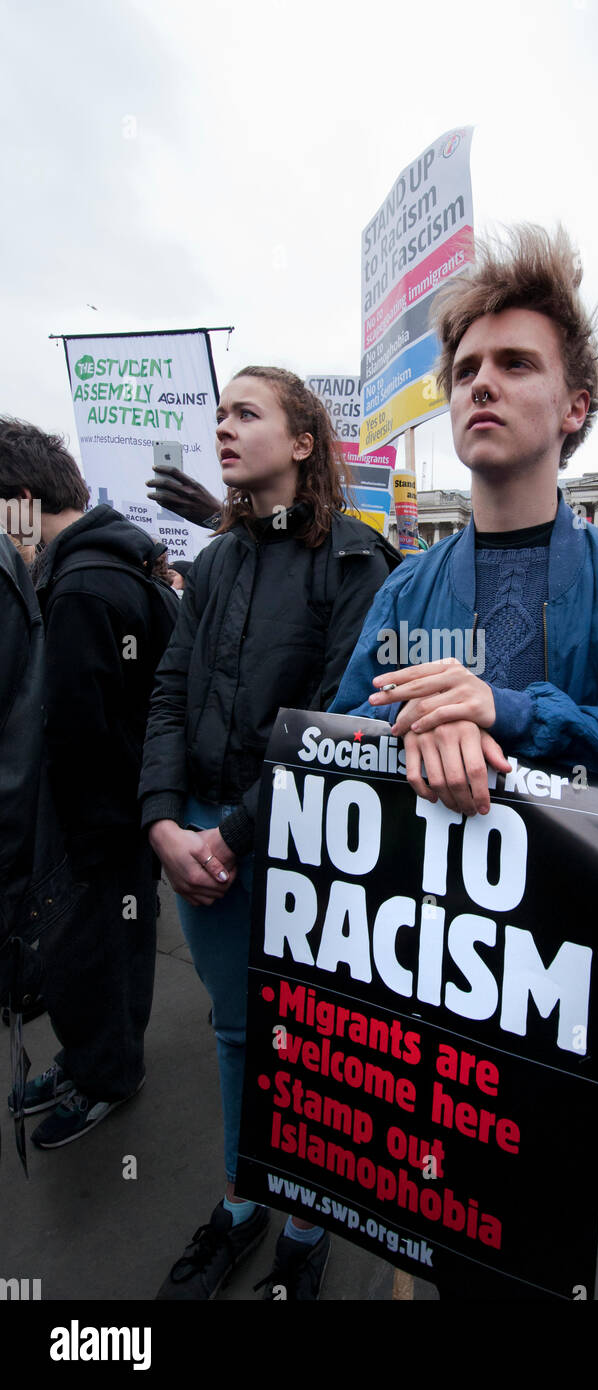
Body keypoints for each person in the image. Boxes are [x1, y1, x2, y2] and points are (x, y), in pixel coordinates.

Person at [331, 226, 598, 1056]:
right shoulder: (407, 583)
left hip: (575, 960)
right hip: (425, 948)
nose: (482, 383)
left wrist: (511, 715)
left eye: (516, 364)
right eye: (465, 370)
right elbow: (340, 739)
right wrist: (421, 727)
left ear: (573, 407)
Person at [139, 366, 400, 1301]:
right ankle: (243, 1197)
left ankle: (305, 1220)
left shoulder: (355, 560)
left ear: (301, 443)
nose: (221, 429)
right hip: (197, 840)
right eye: (217, 415)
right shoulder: (214, 562)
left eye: (245, 413)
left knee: (306, 1037)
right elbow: (168, 691)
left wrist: (232, 839)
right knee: (235, 1032)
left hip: (296, 847)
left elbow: (334, 722)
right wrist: (164, 822)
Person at [0, 417, 178, 1147]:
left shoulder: (79, 585)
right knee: (113, 954)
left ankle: (105, 1076)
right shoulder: (117, 561)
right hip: (127, 811)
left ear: (20, 497)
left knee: (92, 961)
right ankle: (88, 1061)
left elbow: (78, 730)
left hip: (97, 824)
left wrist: (84, 839)